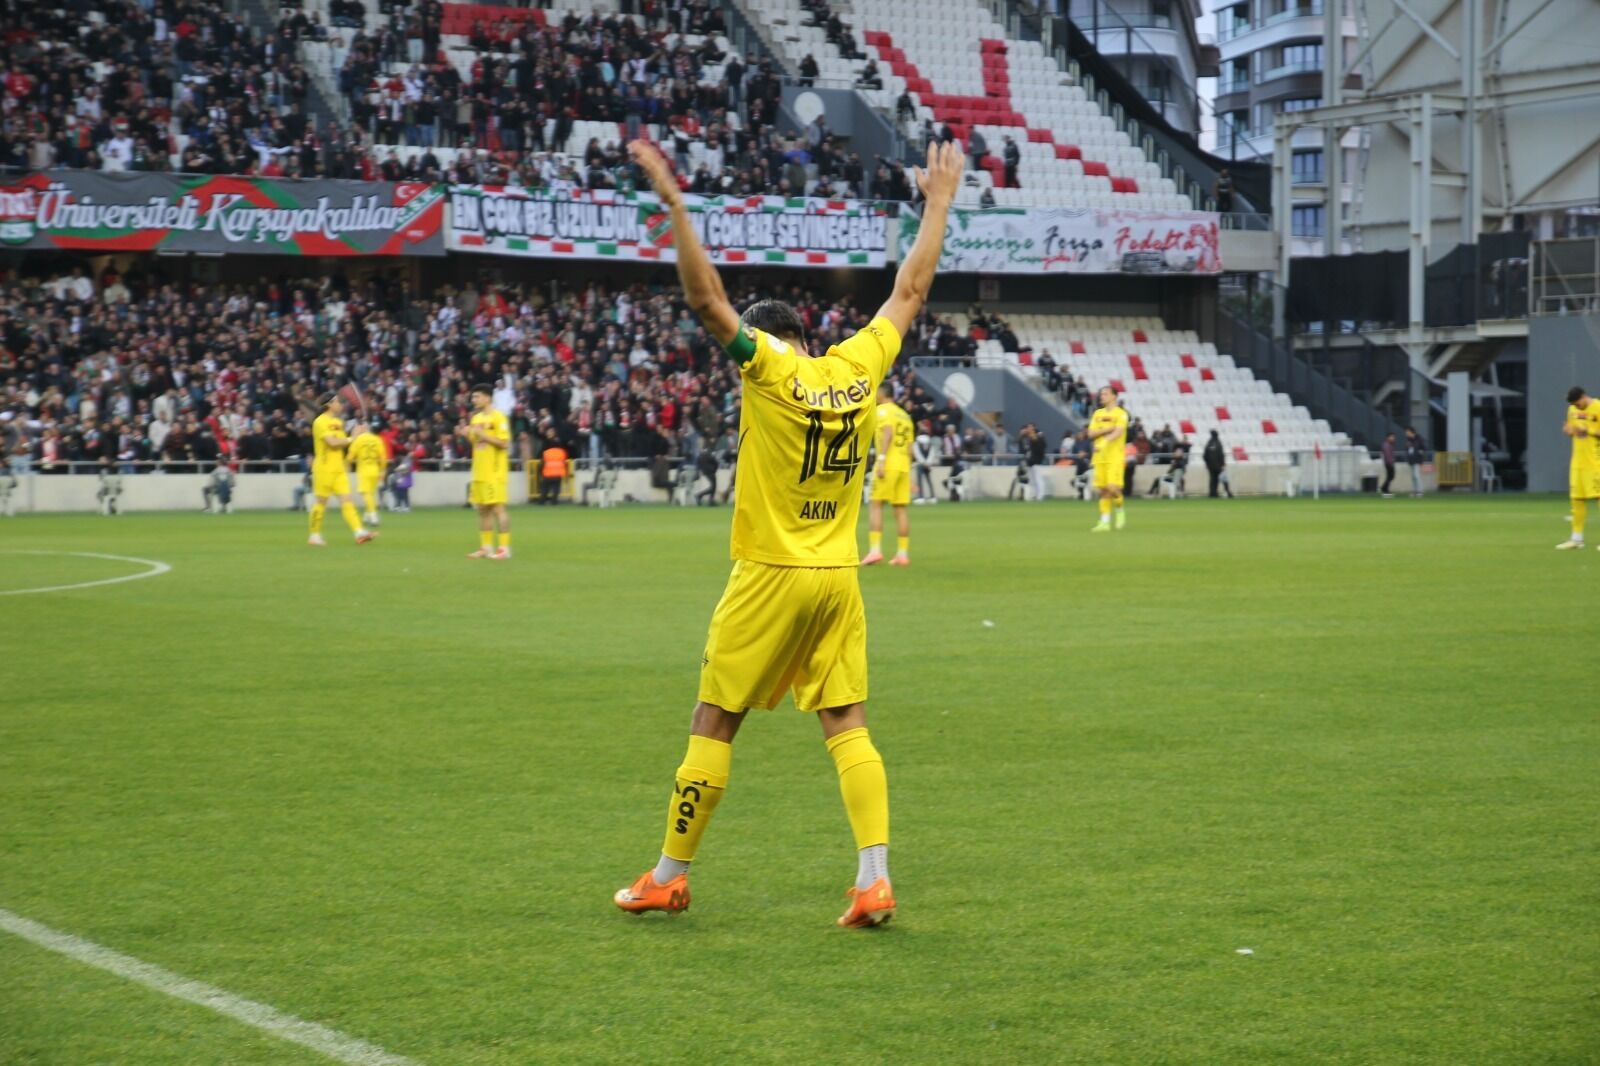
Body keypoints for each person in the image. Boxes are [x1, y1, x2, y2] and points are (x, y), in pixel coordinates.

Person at [612, 137, 963, 928]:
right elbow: (909, 289)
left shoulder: (767, 373)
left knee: (715, 719)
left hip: (770, 572)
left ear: (771, 343)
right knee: (846, 722)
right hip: (839, 577)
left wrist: (675, 207)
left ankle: (670, 874)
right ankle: (874, 878)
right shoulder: (856, 370)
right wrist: (939, 201)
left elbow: (708, 306)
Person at [307, 393, 376, 547]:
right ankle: (314, 535)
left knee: (347, 501)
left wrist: (357, 436)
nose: (340, 404)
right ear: (329, 404)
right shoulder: (319, 422)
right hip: (324, 468)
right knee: (321, 502)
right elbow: (332, 442)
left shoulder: (338, 422)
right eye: (337, 401)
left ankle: (359, 532)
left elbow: (343, 444)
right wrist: (352, 438)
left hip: (338, 468)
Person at [862, 384, 915, 565]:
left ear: (882, 393)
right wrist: (909, 471)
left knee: (875, 505)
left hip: (888, 464)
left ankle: (875, 550)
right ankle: (902, 554)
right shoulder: (905, 416)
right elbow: (910, 447)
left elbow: (888, 432)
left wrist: (882, 459)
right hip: (903, 466)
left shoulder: (883, 411)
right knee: (900, 510)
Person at [461, 383, 511, 559]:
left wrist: (483, 435)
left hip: (495, 471)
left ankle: (504, 548)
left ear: (487, 398)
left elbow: (504, 443)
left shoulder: (499, 418)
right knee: (483, 509)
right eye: (473, 397)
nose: (474, 400)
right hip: (479, 471)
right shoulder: (475, 419)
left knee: (498, 509)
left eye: (477, 397)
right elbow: (477, 443)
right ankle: (486, 547)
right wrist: (468, 435)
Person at [1558, 386, 1600, 549]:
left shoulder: (1598, 407)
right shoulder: (1572, 410)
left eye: (1578, 404)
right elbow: (1573, 429)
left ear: (1583, 397)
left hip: (1595, 461)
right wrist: (1569, 431)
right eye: (1574, 405)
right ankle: (1576, 539)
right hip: (1578, 461)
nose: (1576, 407)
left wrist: (1587, 430)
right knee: (1576, 499)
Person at [1087, 386, 1129, 532]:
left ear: (1114, 396)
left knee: (1113, 488)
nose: (1101, 396)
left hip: (1115, 457)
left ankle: (1120, 509)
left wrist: (1104, 440)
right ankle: (1104, 522)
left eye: (1105, 394)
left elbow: (1118, 431)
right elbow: (1091, 433)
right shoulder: (1097, 413)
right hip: (1099, 457)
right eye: (1101, 394)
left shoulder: (1121, 414)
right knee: (1103, 490)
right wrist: (1106, 430)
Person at [348, 421, 389, 525]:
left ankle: (374, 516)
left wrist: (348, 464)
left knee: (366, 494)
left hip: (364, 470)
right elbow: (383, 457)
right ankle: (366, 517)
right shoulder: (377, 439)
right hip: (375, 469)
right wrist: (383, 470)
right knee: (371, 494)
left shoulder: (358, 440)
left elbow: (350, 456)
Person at [1020, 422, 1048, 501]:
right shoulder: (1027, 438)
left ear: (1034, 428)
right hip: (1030, 461)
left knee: (1038, 478)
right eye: (1028, 427)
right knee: (1032, 479)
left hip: (1037, 460)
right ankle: (1034, 494)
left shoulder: (1039, 436)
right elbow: (1024, 448)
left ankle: (1040, 495)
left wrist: (1036, 440)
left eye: (1030, 427)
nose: (1029, 429)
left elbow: (1042, 447)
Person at [912, 419, 938, 503]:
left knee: (920, 481)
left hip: (920, 464)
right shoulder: (930, 441)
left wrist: (923, 462)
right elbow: (932, 453)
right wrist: (928, 463)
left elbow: (917, 453)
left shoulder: (917, 442)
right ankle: (932, 497)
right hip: (928, 464)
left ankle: (921, 497)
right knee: (929, 480)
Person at [539, 431, 568, 505]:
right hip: (558, 474)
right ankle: (554, 501)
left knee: (545, 488)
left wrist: (540, 472)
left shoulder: (546, 453)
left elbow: (542, 463)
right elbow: (564, 462)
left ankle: (542, 501)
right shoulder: (562, 452)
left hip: (547, 474)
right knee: (556, 489)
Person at [1203, 430, 1231, 497]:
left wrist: (1207, 463)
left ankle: (1213, 493)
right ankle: (1227, 492)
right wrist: (1223, 464)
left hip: (1210, 466)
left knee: (1213, 479)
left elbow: (1204, 455)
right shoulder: (1218, 443)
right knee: (1224, 478)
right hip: (1218, 465)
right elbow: (1221, 455)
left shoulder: (1209, 443)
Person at [1403, 427, 1427, 497]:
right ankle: (1414, 491)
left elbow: (1423, 448)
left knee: (1417, 476)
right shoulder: (1408, 440)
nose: (1406, 434)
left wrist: (1419, 454)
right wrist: (1407, 447)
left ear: (1412, 432)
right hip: (1411, 460)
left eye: (1407, 433)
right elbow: (1408, 449)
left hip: (1417, 460)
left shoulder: (1419, 439)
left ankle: (1420, 491)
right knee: (1413, 477)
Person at [1380, 432, 1397, 497]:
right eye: (1392, 437)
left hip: (1389, 463)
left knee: (1390, 476)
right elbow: (1387, 455)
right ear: (1388, 437)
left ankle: (1385, 488)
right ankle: (1384, 489)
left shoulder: (1389, 444)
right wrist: (1391, 462)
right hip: (1389, 463)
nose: (1393, 438)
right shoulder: (1386, 445)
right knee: (1390, 476)